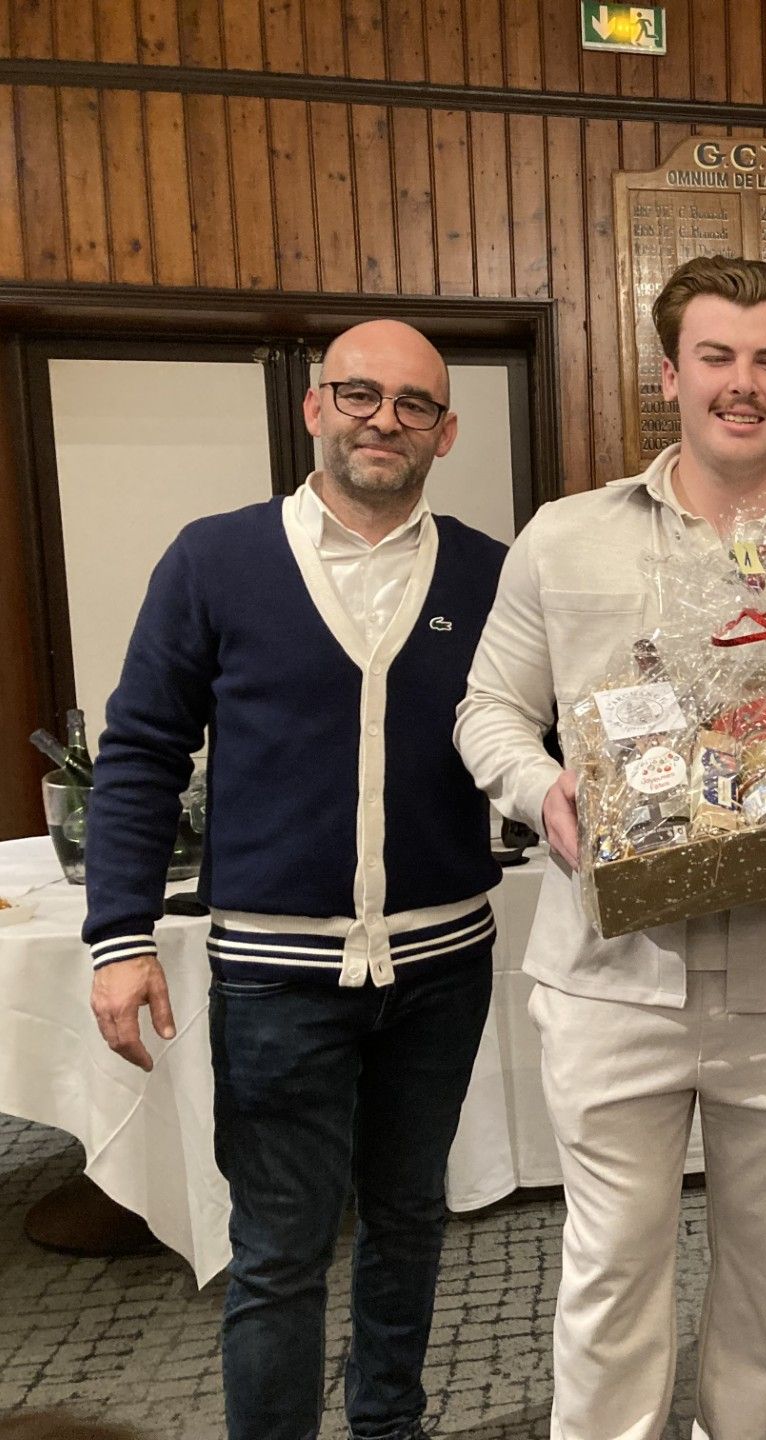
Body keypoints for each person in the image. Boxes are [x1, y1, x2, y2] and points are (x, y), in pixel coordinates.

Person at [454, 254, 766, 1440]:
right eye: (716, 356)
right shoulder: (566, 540)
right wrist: (545, 792)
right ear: (669, 374)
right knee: (611, 1274)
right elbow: (487, 711)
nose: (743, 383)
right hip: (610, 975)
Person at [84, 321, 506, 1440]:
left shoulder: (491, 574)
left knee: (411, 1218)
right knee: (278, 1248)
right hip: (276, 977)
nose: (383, 419)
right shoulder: (214, 559)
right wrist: (120, 934)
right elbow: (141, 752)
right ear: (315, 407)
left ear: (445, 432)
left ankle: (389, 1425)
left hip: (443, 964)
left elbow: (547, 738)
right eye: (358, 394)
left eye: (413, 404)